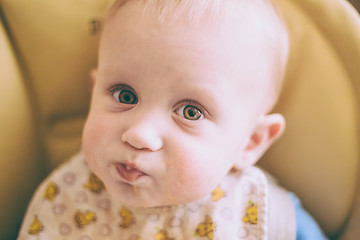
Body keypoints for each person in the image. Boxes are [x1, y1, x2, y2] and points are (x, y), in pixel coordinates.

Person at [17, 0, 327, 239]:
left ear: (250, 142)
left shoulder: (262, 215)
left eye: (190, 112)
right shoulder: (68, 198)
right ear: (93, 92)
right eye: (124, 95)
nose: (139, 134)